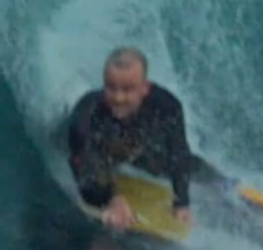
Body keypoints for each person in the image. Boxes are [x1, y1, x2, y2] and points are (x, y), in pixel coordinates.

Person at [64, 47, 199, 233]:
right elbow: (83, 172)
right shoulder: (87, 113)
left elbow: (178, 150)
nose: (119, 97)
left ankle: (223, 184)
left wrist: (181, 201)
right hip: (95, 152)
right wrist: (111, 199)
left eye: (127, 90)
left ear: (145, 88)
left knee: (171, 160)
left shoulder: (167, 106)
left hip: (135, 149)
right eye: (111, 88)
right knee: (96, 162)